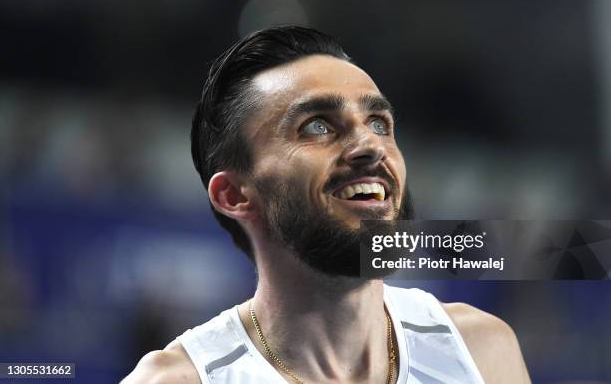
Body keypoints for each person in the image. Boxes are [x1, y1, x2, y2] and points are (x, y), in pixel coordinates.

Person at [122, 25, 530, 384]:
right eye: (316, 126)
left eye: (378, 124)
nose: (370, 146)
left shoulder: (480, 351)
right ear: (235, 195)